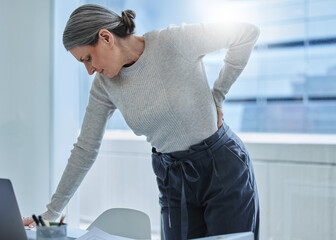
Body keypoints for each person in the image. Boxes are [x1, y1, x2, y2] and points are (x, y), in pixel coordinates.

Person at [24, 4, 260, 240]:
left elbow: (246, 33)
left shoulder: (173, 41)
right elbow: (85, 149)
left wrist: (217, 97)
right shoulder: (104, 86)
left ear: (106, 37)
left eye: (88, 58)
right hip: (173, 178)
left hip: (221, 167)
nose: (89, 70)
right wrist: (50, 214)